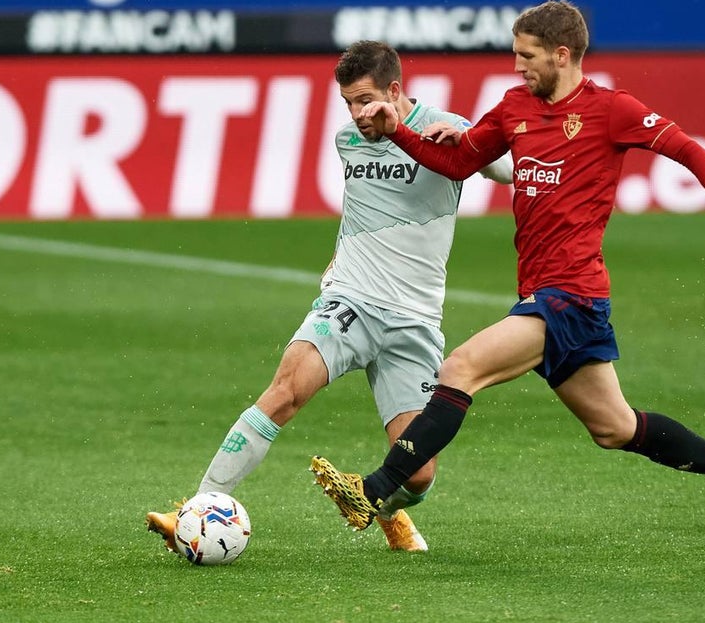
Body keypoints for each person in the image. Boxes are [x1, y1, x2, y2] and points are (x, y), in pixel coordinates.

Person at [309, 0, 705, 544]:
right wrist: (398, 131)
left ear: (562, 55)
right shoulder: (513, 108)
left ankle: (371, 493)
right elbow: (458, 162)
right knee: (615, 427)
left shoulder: (612, 109)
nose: (517, 66)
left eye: (527, 56)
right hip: (545, 293)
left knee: (460, 367)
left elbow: (687, 149)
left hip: (571, 294)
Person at [146, 40, 514, 553]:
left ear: (394, 90)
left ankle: (383, 508)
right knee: (285, 392)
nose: (356, 114)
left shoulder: (444, 128)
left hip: (415, 322)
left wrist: (474, 143)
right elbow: (362, 209)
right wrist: (340, 259)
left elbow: (513, 169)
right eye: (347, 101)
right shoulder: (349, 140)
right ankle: (195, 508)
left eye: (365, 99)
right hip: (351, 302)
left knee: (421, 473)